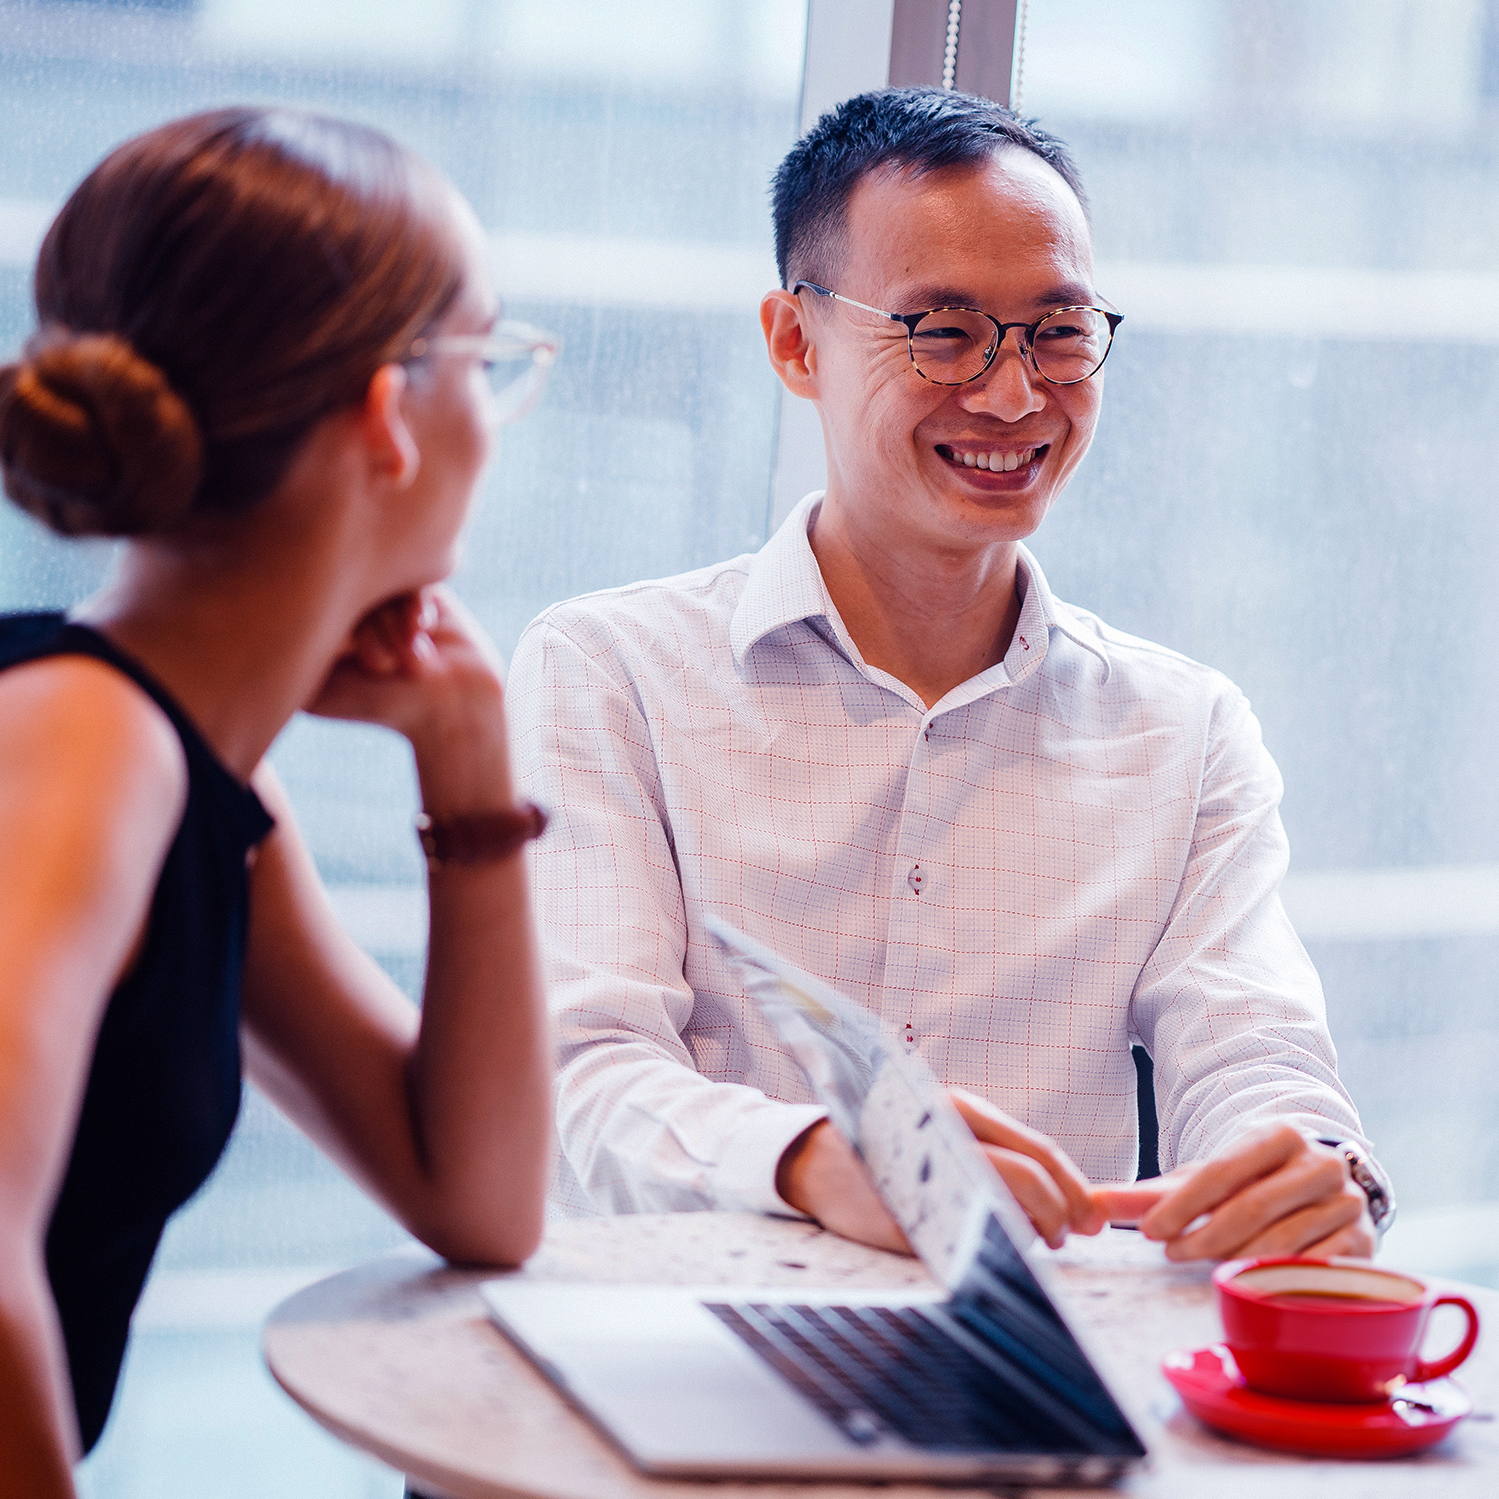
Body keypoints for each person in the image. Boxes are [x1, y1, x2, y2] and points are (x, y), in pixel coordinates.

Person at [507, 88, 1391, 1264]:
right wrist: (820, 1156)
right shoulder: (610, 671)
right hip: (675, 1359)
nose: (1014, 394)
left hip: (1032, 1390)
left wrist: (1305, 1167)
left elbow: (1252, 1054)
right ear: (792, 339)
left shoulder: (1182, 730)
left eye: (1058, 331)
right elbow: (578, 1078)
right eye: (943, 331)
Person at [0, 108, 555, 1495]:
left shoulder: (189, 771)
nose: (493, 414)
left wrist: (469, 770)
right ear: (388, 416)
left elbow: (476, 1199)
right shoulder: (89, 738)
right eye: (483, 360)